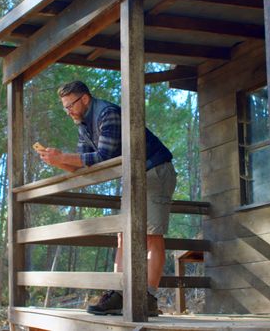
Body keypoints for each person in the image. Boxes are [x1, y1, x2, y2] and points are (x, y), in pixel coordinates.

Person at [37, 81, 177, 316]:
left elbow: (103, 156)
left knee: (151, 235)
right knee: (123, 235)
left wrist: (64, 156)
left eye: (70, 105)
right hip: (133, 176)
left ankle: (148, 297)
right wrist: (58, 160)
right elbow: (85, 164)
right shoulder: (82, 124)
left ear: (84, 99)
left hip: (154, 170)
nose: (68, 111)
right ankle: (119, 293)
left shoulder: (107, 113)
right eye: (64, 107)